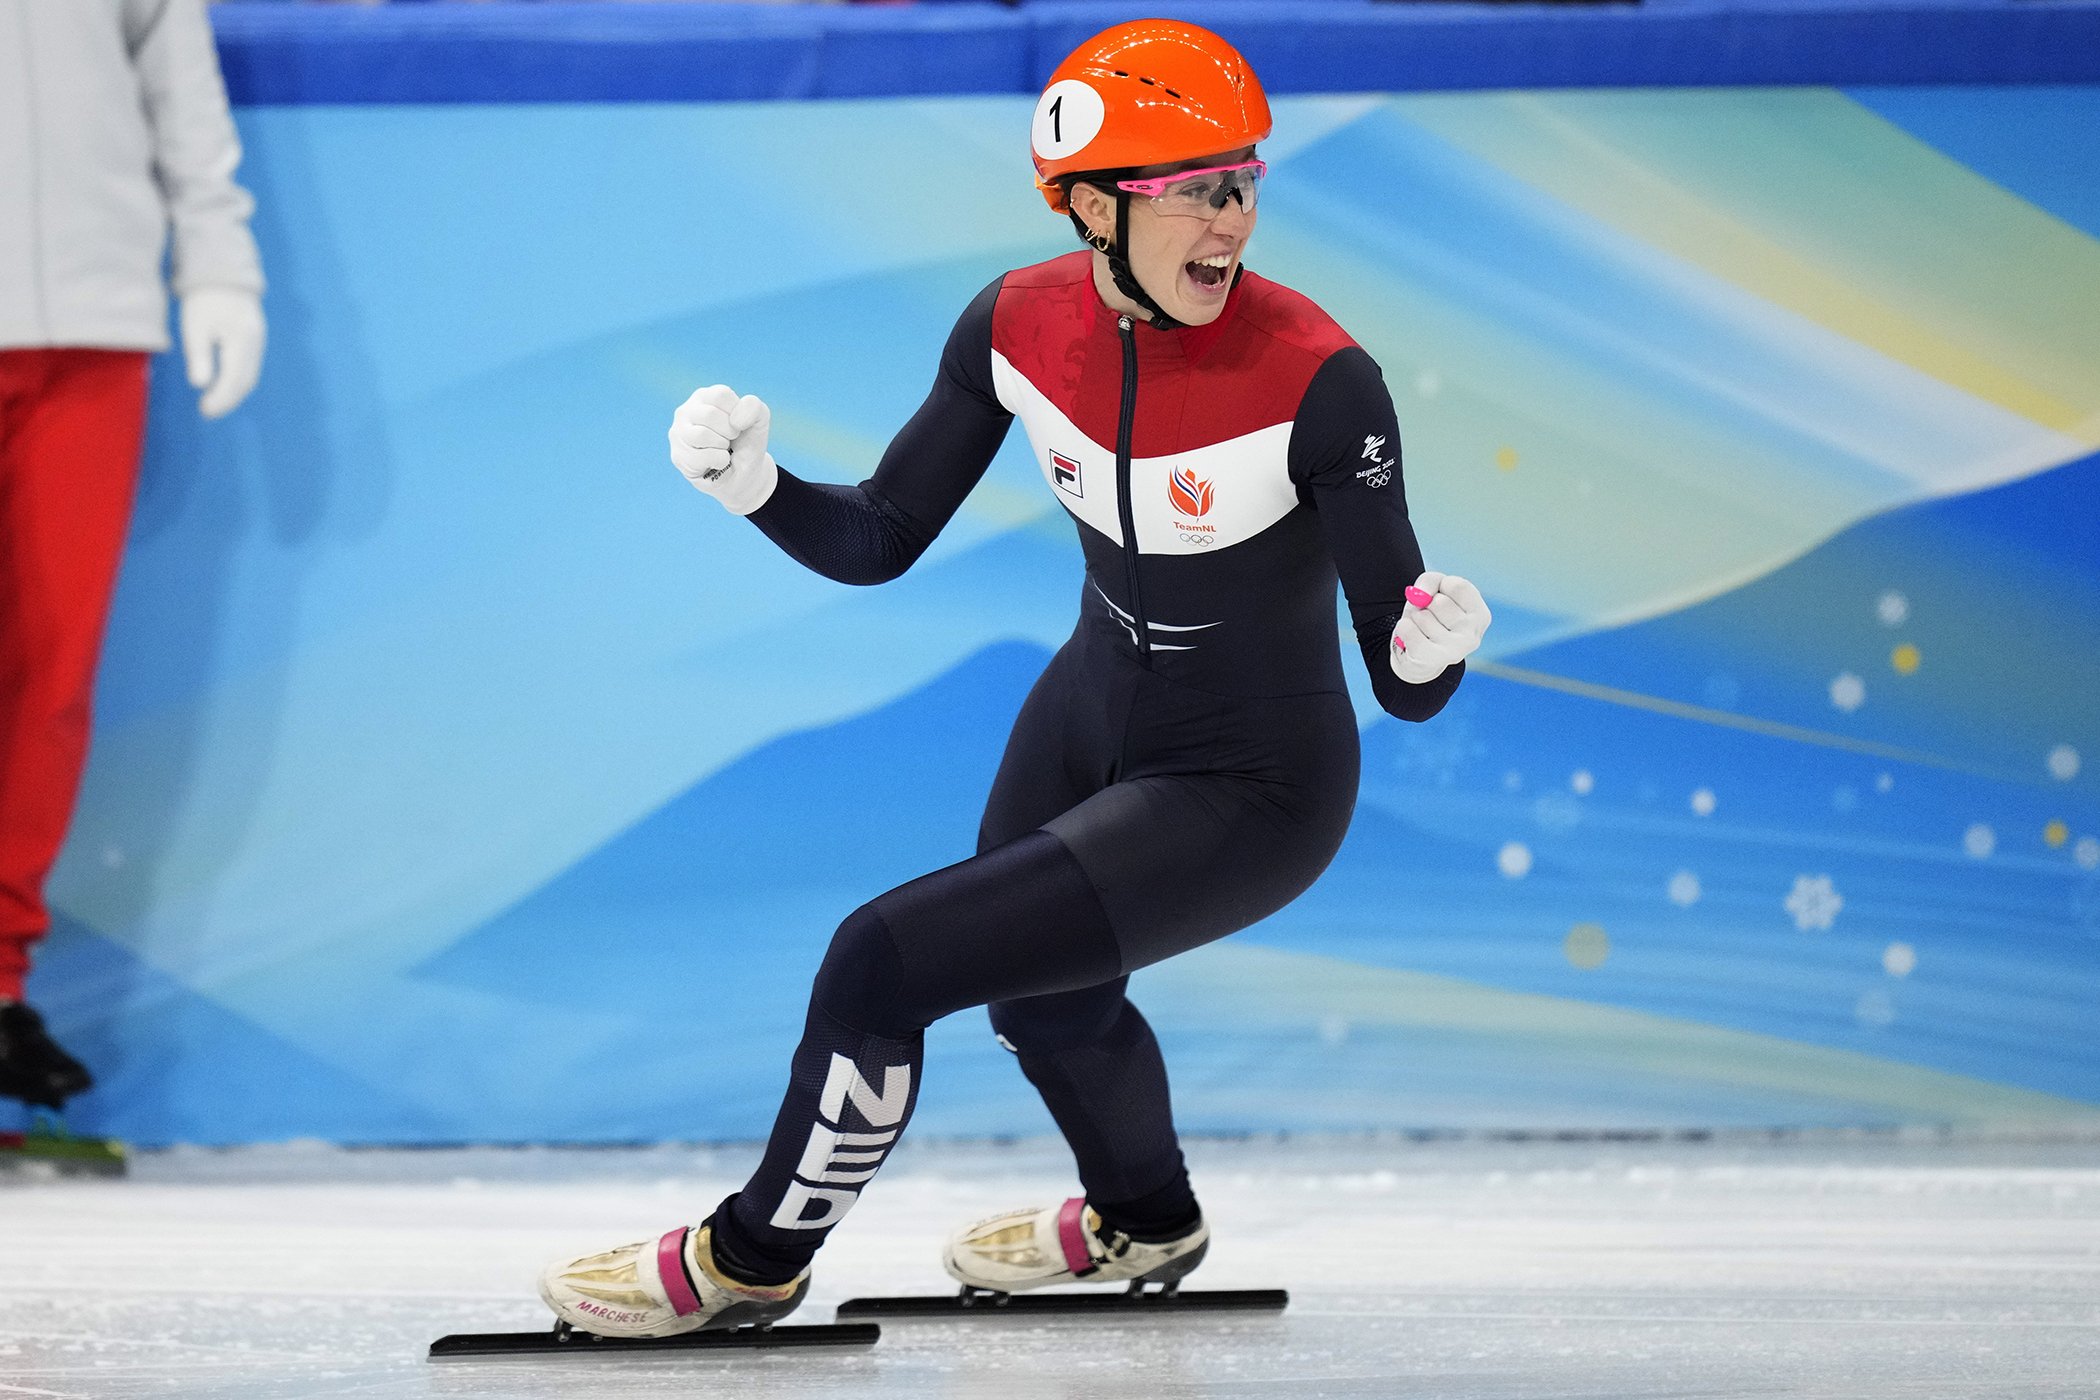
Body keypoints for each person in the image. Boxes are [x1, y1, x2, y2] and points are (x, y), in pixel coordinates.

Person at [538, 19, 1491, 1335]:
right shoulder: (1015, 323)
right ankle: (1147, 1219)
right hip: (1093, 703)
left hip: (1256, 783)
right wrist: (758, 488)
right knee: (1043, 1001)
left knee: (878, 960)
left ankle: (750, 1259)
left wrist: (1429, 652)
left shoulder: (1321, 380)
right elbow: (882, 533)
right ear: (1093, 206)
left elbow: (1403, 675)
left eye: (1245, 182)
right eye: (1196, 189)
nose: (1232, 220)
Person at [0, 0, 266, 1113]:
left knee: (51, 678)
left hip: (91, 325)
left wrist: (220, 265)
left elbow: (174, 67)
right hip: (84, 317)